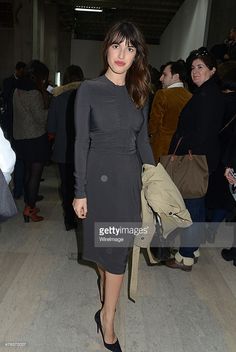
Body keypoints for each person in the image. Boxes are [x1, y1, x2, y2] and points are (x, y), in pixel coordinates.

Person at [73, 21, 155, 351]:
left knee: (118, 255)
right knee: (103, 254)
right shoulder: (88, 90)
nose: (122, 54)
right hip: (97, 182)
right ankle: (107, 305)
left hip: (126, 185)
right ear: (106, 47)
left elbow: (144, 141)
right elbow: (80, 142)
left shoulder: (139, 94)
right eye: (117, 45)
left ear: (137, 55)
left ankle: (107, 318)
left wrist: (153, 179)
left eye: (130, 48)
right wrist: (80, 190)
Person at [166, 47, 225, 271]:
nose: (195, 71)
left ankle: (186, 255)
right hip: (201, 157)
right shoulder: (207, 93)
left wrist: (188, 151)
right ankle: (193, 248)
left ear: (212, 70)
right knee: (195, 204)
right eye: (192, 68)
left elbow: (203, 131)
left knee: (192, 207)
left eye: (200, 67)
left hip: (196, 159)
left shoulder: (207, 96)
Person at [47, 65, 84, 231]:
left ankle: (69, 219)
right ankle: (82, 218)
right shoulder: (88, 95)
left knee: (66, 185)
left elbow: (51, 127)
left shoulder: (58, 97)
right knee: (82, 184)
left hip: (63, 149)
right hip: (85, 150)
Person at [13, 60, 50, 222]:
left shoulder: (17, 90)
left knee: (28, 173)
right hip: (35, 139)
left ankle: (29, 205)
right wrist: (50, 107)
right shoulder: (34, 93)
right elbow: (42, 119)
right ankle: (30, 209)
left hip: (21, 138)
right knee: (35, 175)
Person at [149, 60, 192, 162]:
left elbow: (154, 124)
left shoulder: (162, 94)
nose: (160, 78)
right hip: (180, 149)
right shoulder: (191, 97)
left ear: (176, 76)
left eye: (164, 75)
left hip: (161, 147)